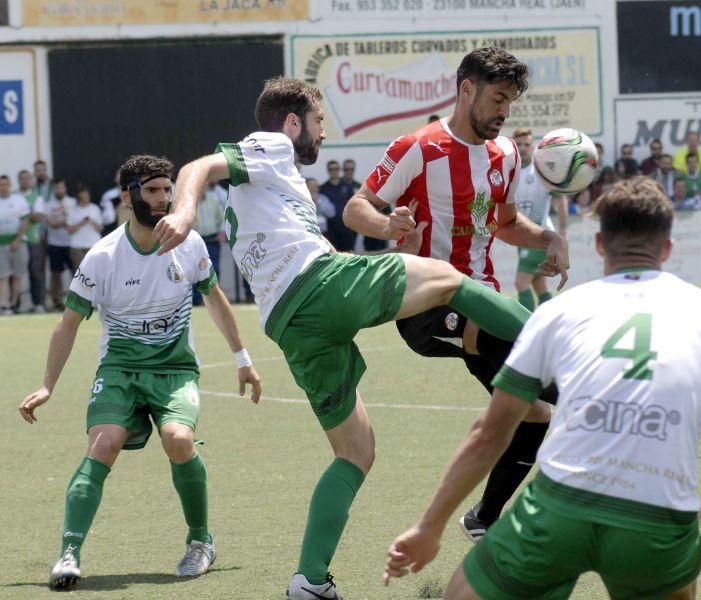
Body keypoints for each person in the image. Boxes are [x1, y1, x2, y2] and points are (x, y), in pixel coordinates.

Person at [152, 75, 541, 600]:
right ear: (293, 123)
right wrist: (182, 208)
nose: (324, 134)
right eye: (318, 122)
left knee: (355, 452)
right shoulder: (271, 146)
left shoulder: (270, 185)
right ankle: (552, 338)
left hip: (289, 325)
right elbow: (200, 167)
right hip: (318, 289)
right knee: (446, 277)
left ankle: (310, 581)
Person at [383, 177, 701, 600]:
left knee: (461, 594)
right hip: (657, 516)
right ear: (668, 248)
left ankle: (483, 520)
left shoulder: (560, 311)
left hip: (561, 506)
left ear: (601, 244)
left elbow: (489, 434)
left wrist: (429, 526)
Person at [343, 47, 569, 544]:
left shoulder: (505, 154)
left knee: (537, 413)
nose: (504, 111)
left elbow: (506, 224)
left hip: (482, 303)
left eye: (510, 102)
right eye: (497, 98)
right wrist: (386, 223)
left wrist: (549, 239)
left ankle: (483, 521)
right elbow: (356, 209)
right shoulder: (417, 148)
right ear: (466, 89)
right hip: (426, 307)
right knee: (564, 388)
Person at [19, 154, 262, 590]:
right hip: (120, 371)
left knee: (179, 440)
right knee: (104, 443)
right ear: (130, 196)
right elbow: (68, 323)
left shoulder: (188, 244)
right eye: (152, 190)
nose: (164, 198)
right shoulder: (102, 256)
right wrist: (47, 385)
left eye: (168, 189)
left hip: (174, 370)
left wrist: (243, 358)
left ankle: (200, 541)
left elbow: (215, 299)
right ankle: (69, 553)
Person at [509, 128, 568, 310]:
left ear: (532, 146)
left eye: (526, 144)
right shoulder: (510, 172)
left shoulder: (541, 172)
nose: (523, 148)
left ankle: (523, 329)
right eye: (518, 144)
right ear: (513, 146)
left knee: (521, 283)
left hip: (539, 235)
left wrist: (562, 234)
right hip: (522, 237)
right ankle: (551, 325)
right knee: (539, 286)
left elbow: (560, 201)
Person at [43, 178, 76, 310]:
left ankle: (79, 301)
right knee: (56, 273)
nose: (59, 190)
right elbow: (52, 224)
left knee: (77, 273)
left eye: (61, 187)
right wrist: (65, 220)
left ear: (65, 188)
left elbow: (75, 221)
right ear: (53, 189)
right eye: (56, 188)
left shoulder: (73, 202)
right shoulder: (48, 205)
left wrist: (65, 221)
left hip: (72, 243)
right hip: (55, 243)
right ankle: (57, 301)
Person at [191, 181, 226, 305]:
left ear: (207, 186)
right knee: (195, 271)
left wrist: (222, 232)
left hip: (213, 240)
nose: (202, 188)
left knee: (214, 269)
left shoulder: (213, 198)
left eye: (204, 185)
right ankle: (196, 300)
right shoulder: (190, 201)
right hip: (196, 240)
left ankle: (214, 300)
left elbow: (222, 218)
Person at [0, 174, 31, 315]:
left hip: (18, 242)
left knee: (19, 275)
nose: (3, 187)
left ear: (10, 185)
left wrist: (17, 240)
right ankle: (5, 305)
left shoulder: (18, 200)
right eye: (1, 185)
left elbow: (25, 221)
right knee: (3, 276)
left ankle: (15, 304)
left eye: (5, 184)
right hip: (1, 243)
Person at [18, 169, 47, 313]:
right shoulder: (14, 196)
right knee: (16, 274)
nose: (24, 181)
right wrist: (29, 213)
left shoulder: (37, 197)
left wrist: (22, 214)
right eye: (22, 178)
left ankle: (39, 303)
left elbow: (37, 217)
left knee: (35, 271)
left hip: (33, 239)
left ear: (31, 180)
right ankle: (15, 304)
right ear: (19, 181)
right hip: (16, 240)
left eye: (27, 178)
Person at [320, 160, 357, 251]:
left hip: (347, 228)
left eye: (336, 169)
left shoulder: (347, 186)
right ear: (328, 171)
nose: (334, 171)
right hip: (331, 229)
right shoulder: (323, 188)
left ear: (339, 170)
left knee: (349, 255)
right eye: (331, 169)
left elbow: (353, 205)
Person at [66, 184, 103, 268]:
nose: (86, 198)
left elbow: (101, 228)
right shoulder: (73, 211)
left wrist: (92, 222)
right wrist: (81, 223)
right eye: (83, 197)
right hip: (77, 246)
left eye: (87, 195)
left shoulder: (95, 208)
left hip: (94, 245)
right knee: (79, 274)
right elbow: (69, 231)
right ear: (79, 197)